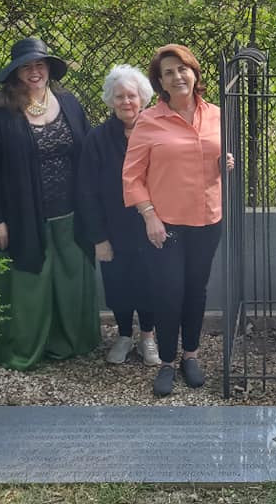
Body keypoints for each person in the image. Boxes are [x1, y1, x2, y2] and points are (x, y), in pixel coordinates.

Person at [0, 37, 100, 370]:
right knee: (31, 284)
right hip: (23, 216)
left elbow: (87, 155)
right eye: (26, 66)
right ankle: (23, 349)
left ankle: (70, 341)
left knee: (70, 279)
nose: (34, 71)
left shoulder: (69, 103)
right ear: (15, 72)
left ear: (49, 69)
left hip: (70, 214)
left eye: (39, 64)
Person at [123, 44, 234, 397]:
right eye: (168, 72)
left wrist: (225, 164)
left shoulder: (217, 114)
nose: (177, 76)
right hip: (165, 223)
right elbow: (132, 176)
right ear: (161, 82)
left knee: (195, 290)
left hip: (207, 218)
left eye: (182, 69)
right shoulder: (149, 121)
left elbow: (220, 158)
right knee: (169, 291)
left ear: (195, 74)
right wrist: (149, 216)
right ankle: (168, 362)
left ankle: (191, 356)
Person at [77, 65, 161, 366]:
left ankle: (148, 336)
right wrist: (99, 238)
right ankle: (125, 335)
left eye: (132, 96)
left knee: (151, 282)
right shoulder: (97, 139)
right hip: (113, 229)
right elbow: (86, 191)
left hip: (153, 224)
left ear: (143, 99)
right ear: (111, 101)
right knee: (119, 284)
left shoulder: (157, 132)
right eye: (119, 96)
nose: (126, 102)